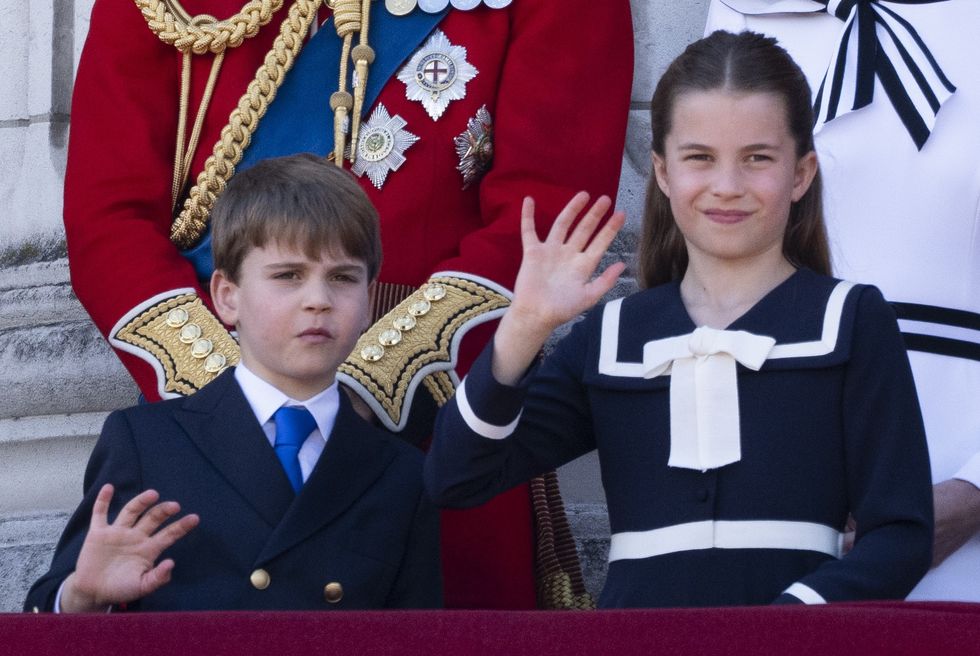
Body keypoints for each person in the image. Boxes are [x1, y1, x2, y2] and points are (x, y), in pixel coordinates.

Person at [63, 0, 632, 609]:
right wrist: (238, 400)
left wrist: (376, 380)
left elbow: (544, 220)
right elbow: (109, 221)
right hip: (218, 434)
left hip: (437, 429)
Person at [425, 30, 933, 607]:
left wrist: (788, 627)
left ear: (801, 173)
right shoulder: (613, 337)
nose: (727, 186)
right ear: (663, 173)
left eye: (757, 159)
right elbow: (455, 478)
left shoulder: (850, 320)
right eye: (700, 159)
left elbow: (901, 536)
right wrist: (521, 330)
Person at [25, 154, 441, 612]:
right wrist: (83, 597)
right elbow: (46, 610)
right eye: (288, 276)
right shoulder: (148, 444)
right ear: (227, 297)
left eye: (343, 278)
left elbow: (415, 634)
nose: (318, 301)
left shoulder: (400, 472)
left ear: (368, 302)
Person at [704, 0, 980, 603]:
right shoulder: (746, 11)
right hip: (774, 474)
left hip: (964, 478)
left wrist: (973, 491)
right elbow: (709, 262)